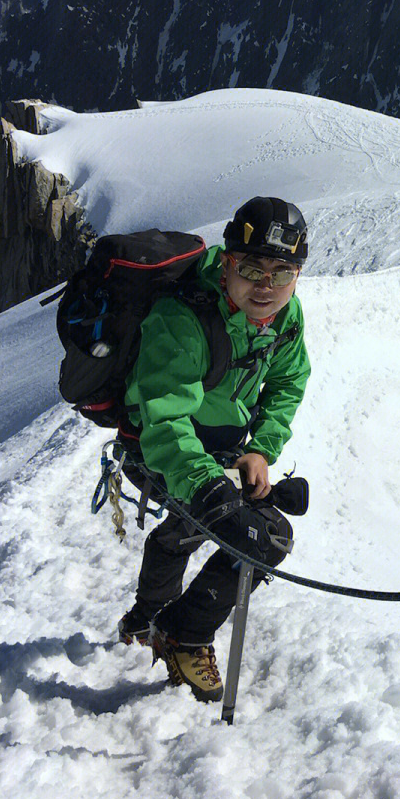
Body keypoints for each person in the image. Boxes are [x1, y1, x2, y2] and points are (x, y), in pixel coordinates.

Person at [117, 196, 311, 702]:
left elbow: (289, 383)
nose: (266, 286)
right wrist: (206, 488)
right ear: (226, 264)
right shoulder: (180, 319)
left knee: (204, 529)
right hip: (158, 447)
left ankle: (148, 617)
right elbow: (164, 418)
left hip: (222, 448)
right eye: (251, 269)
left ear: (297, 275)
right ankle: (184, 635)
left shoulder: (284, 319)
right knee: (264, 537)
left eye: (282, 272)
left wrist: (262, 451)